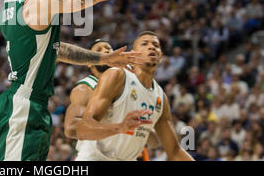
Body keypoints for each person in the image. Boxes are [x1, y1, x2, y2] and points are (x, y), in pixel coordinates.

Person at [0, 0, 174, 161]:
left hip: (21, 104)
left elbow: (55, 50)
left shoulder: (8, 9)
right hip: (23, 106)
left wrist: (102, 59)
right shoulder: (40, 1)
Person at [76, 31, 194, 161]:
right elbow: (83, 129)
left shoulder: (160, 97)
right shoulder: (116, 76)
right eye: (144, 44)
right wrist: (119, 127)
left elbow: (174, 151)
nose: (151, 47)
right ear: (133, 54)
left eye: (156, 45)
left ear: (161, 57)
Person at [63, 40, 159, 161]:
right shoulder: (85, 88)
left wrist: (142, 126)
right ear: (89, 62)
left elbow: (155, 142)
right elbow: (71, 128)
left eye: (108, 48)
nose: (105, 51)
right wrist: (118, 126)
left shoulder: (132, 87)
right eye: (99, 50)